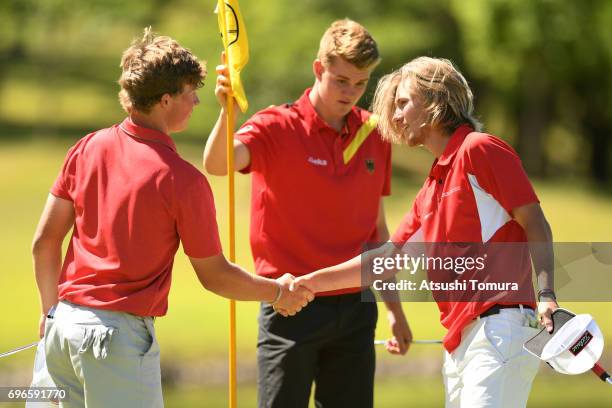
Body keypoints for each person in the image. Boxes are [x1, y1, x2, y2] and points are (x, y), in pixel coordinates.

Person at [32, 28, 313, 408]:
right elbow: (215, 276)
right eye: (189, 93)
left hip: (61, 328)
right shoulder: (183, 180)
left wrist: (49, 314)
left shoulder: (86, 148)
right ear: (165, 100)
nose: (197, 101)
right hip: (116, 341)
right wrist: (278, 292)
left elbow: (44, 243)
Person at [292, 56, 559, 408]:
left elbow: (534, 221)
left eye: (403, 103)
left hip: (500, 329)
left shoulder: (479, 149)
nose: (396, 116)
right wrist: (307, 284)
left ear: (436, 100)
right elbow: (382, 262)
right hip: (461, 341)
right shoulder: (432, 187)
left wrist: (547, 294)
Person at [203, 19, 412, 408]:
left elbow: (377, 232)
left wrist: (394, 309)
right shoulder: (276, 126)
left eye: (361, 83)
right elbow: (218, 164)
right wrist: (225, 113)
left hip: (355, 308)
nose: (350, 93)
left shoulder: (374, 134)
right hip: (288, 302)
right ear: (319, 69)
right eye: (341, 80)